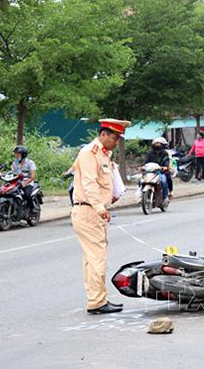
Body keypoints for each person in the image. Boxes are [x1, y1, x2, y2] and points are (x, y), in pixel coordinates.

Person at [71, 118, 130, 315]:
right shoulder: (90, 153)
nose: (116, 141)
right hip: (89, 210)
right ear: (103, 134)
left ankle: (96, 299)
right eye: (114, 137)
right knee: (97, 258)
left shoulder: (104, 155)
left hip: (94, 211)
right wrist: (99, 207)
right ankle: (97, 302)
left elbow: (103, 183)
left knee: (91, 258)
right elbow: (89, 183)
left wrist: (109, 200)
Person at [143, 137, 172, 202]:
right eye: (156, 144)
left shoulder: (165, 153)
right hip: (150, 172)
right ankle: (142, 195)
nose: (157, 145)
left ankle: (165, 197)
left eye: (159, 144)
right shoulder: (149, 153)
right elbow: (145, 161)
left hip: (160, 172)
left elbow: (166, 161)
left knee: (163, 181)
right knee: (141, 181)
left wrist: (165, 167)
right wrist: (142, 166)